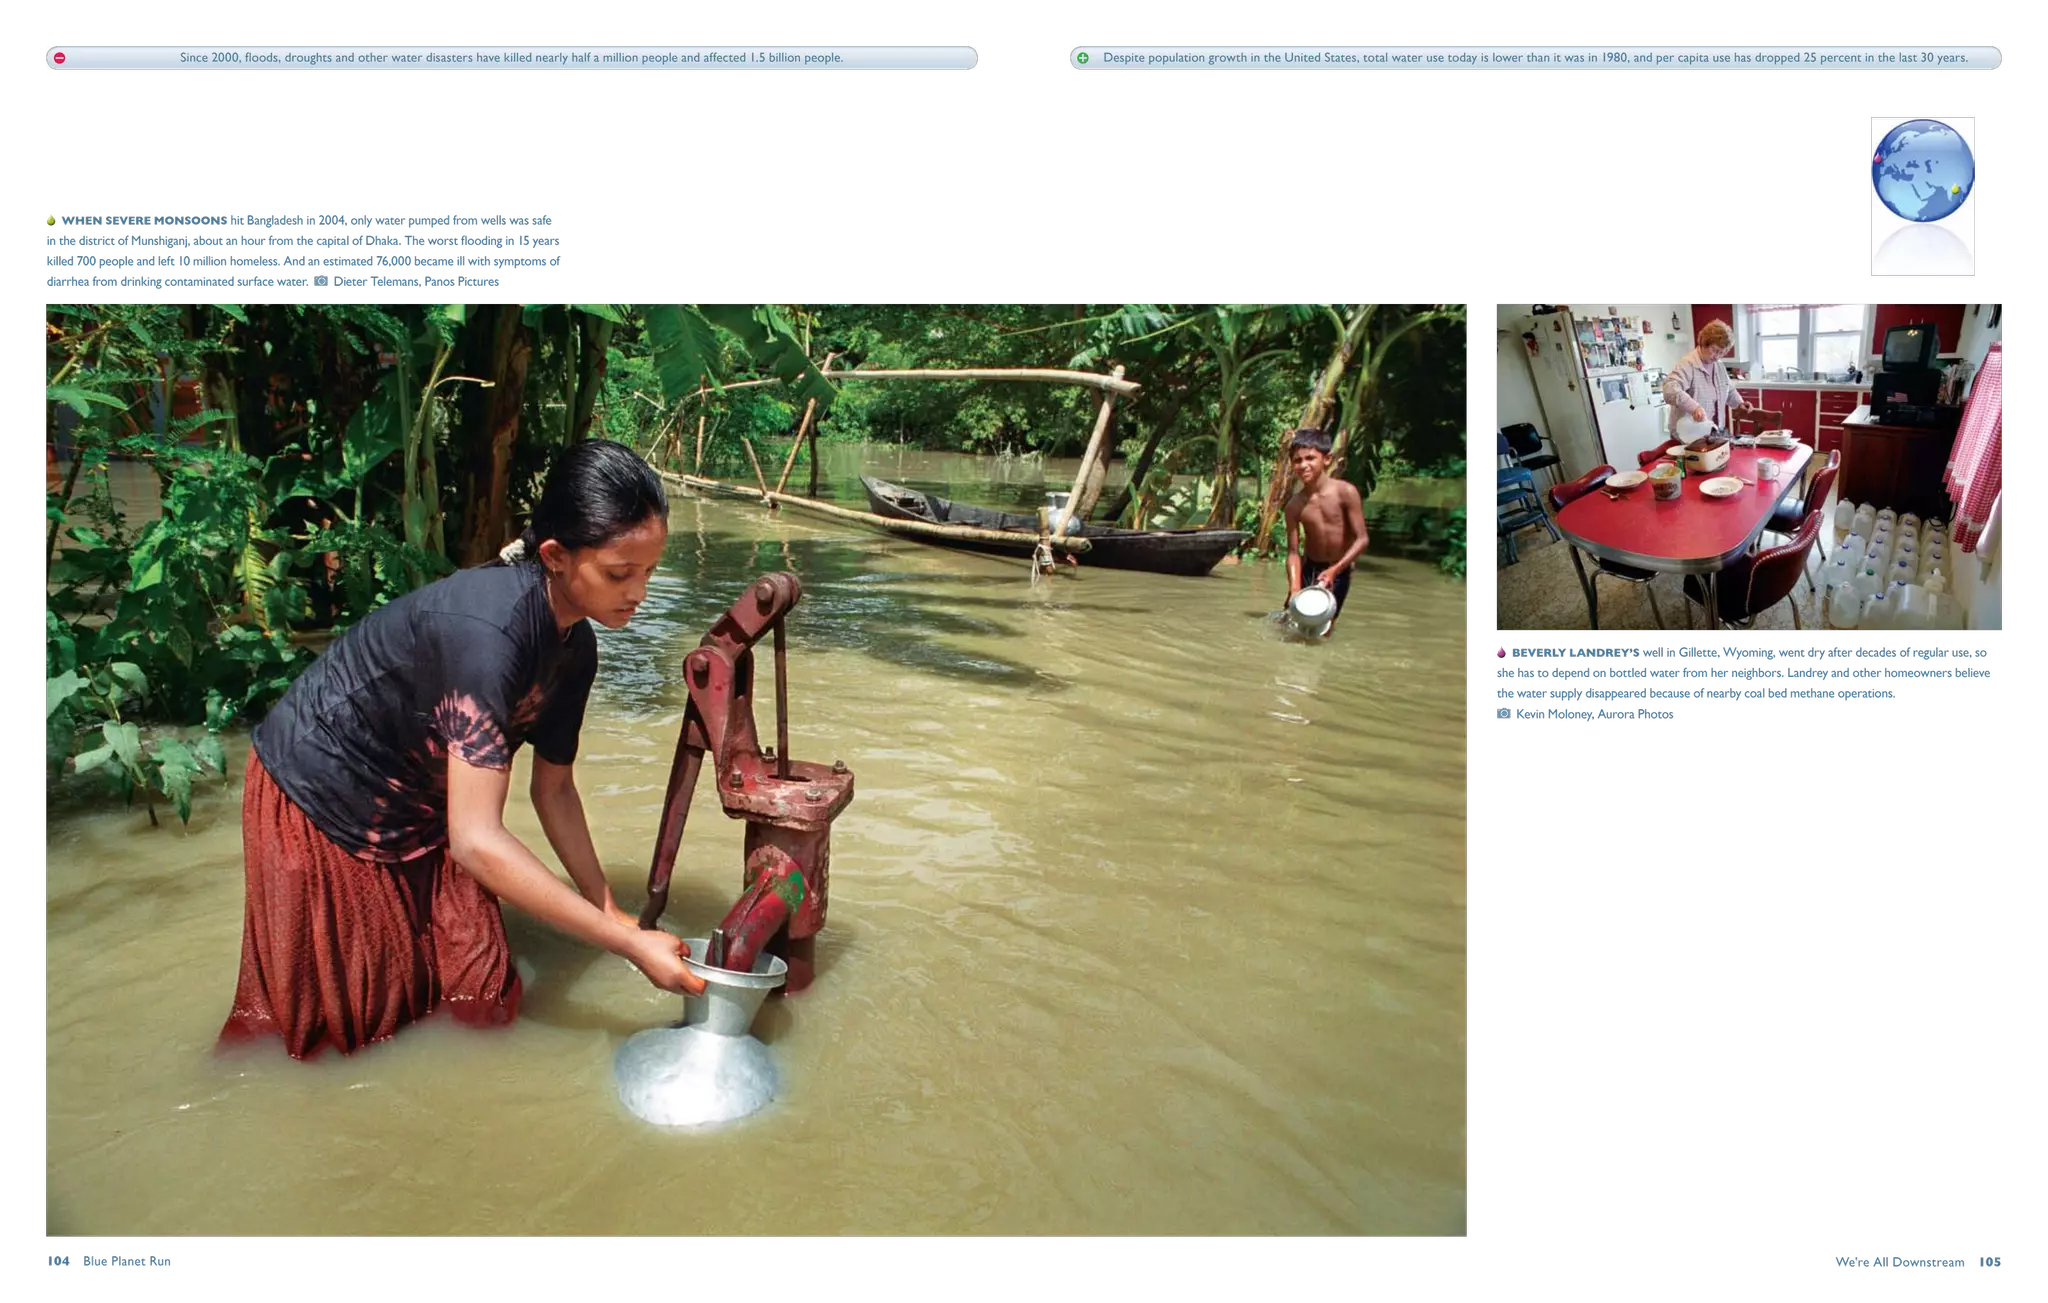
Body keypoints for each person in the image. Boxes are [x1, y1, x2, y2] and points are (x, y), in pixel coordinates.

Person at [219, 439, 705, 1060]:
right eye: (619, 573)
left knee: (478, 993)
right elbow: (476, 840)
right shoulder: (488, 633)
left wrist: (609, 911)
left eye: (648, 572)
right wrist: (629, 948)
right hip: (325, 790)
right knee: (347, 1025)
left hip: (425, 798)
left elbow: (553, 789)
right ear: (555, 556)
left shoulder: (576, 649)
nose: (638, 592)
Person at [1283, 428, 1369, 638]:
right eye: (1297, 460)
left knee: (1323, 627)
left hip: (1339, 571)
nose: (1303, 465)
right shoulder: (1294, 506)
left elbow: (1362, 539)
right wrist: (1295, 589)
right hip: (1309, 568)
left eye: (1310, 458)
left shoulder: (1345, 493)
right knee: (1291, 622)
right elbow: (1294, 553)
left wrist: (1335, 570)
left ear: (1327, 459)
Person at [1664, 319, 1755, 439]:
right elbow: (1669, 389)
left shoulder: (1719, 365)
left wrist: (1740, 403)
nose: (1717, 356)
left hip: (1711, 433)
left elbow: (1729, 390)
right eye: (1714, 350)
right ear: (1704, 343)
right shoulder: (1688, 364)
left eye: (1722, 353)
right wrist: (1694, 407)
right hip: (1688, 435)